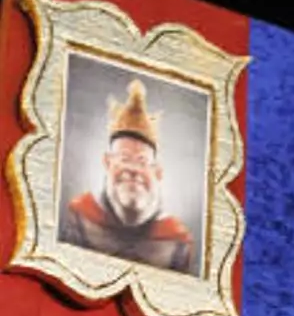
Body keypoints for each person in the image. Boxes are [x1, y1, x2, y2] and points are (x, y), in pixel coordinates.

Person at [60, 78, 194, 272]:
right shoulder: (79, 217)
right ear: (107, 162)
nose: (132, 169)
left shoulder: (177, 241)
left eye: (142, 161)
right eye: (124, 158)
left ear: (158, 172)